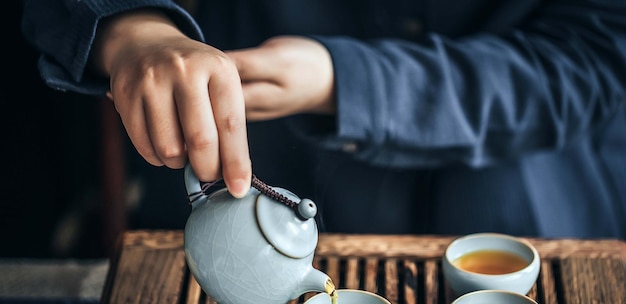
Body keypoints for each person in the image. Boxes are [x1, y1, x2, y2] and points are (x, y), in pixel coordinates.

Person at [21, 0, 626, 238]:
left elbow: (595, 56)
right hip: (248, 156)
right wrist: (136, 29)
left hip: (525, 197)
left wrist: (346, 82)